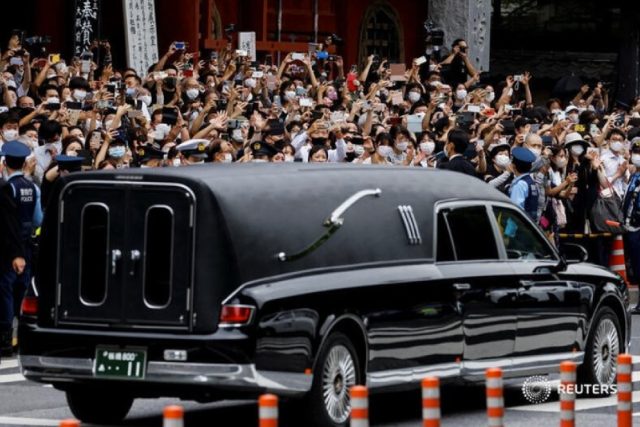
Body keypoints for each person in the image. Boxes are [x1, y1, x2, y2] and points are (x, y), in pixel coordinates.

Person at [0, 141, 42, 355]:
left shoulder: (9, 187)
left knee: (5, 291)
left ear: (5, 162)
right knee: (21, 291)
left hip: (10, 247)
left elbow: (9, 223)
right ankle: (22, 337)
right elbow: (37, 219)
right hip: (26, 245)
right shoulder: (32, 187)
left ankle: (6, 338)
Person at [623, 138, 640, 313]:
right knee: (636, 264)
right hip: (632, 227)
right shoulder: (634, 175)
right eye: (636, 152)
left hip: (637, 226)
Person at [509, 147, 539, 220]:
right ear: (531, 166)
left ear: (513, 166)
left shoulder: (520, 184)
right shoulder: (531, 182)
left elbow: (516, 212)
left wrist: (509, 231)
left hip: (520, 228)